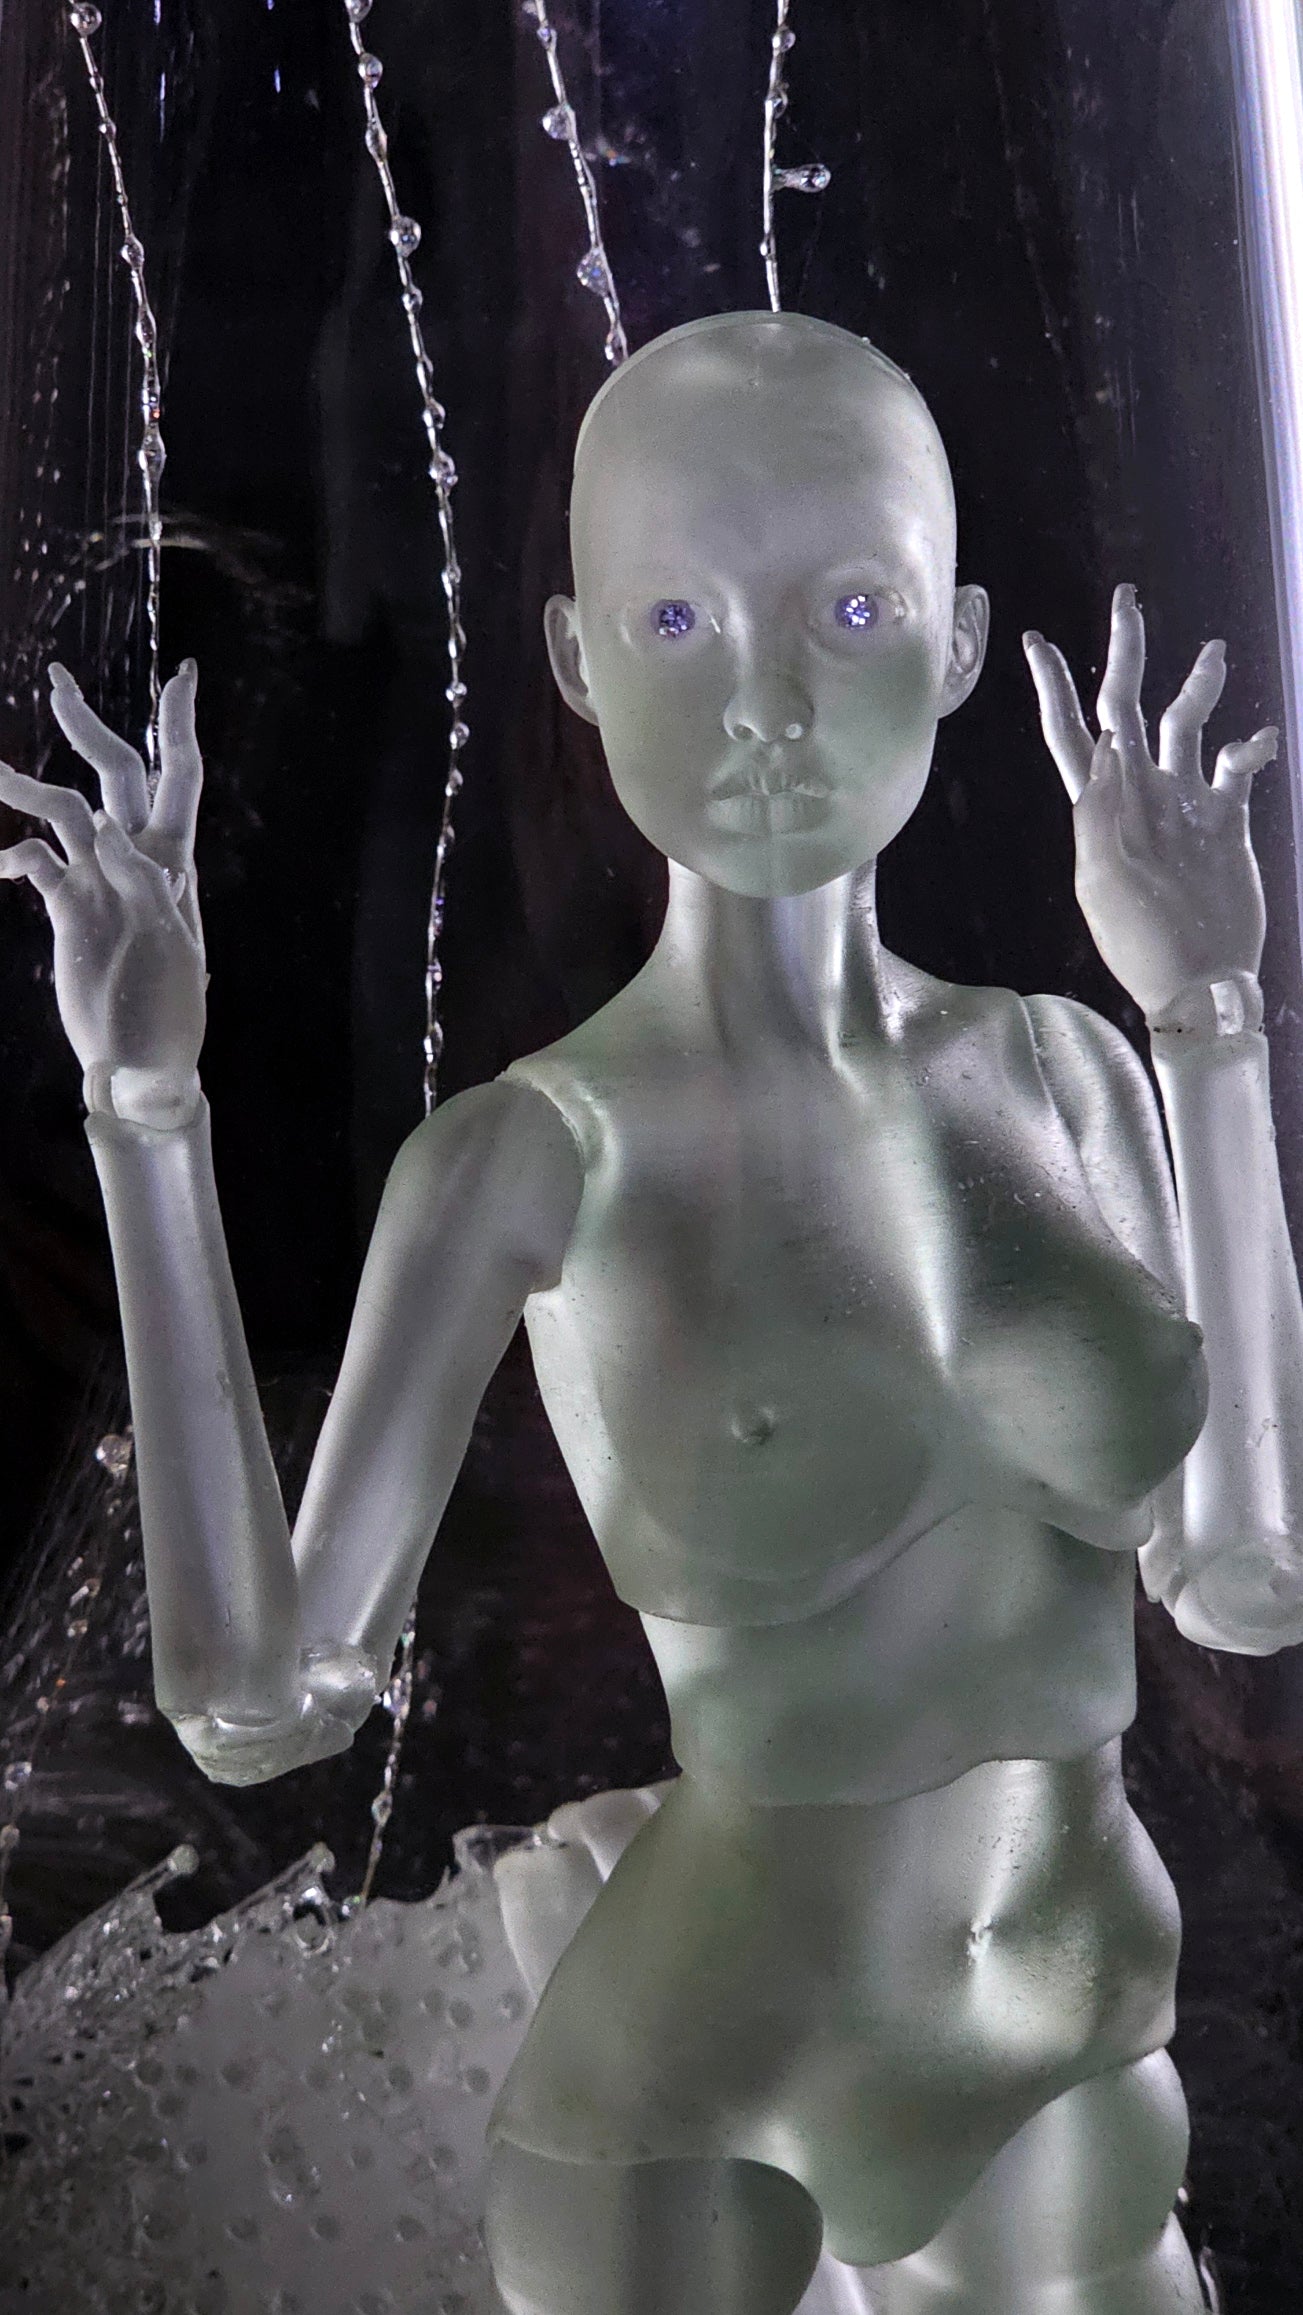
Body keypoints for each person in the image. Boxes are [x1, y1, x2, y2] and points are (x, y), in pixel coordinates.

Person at [3, 311, 1301, 2315]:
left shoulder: (1071, 1072)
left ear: (958, 643)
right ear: (575, 662)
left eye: (850, 609)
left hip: (1074, 2049)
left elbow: (1245, 1581)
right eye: (679, 621)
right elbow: (262, 1704)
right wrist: (145, 1110)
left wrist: (1209, 1018)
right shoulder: (536, 1158)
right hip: (705, 2095)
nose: (769, 701)